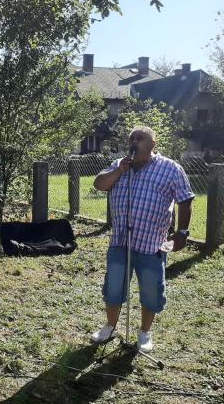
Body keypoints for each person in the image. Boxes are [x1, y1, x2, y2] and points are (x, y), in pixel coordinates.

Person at [90, 126, 194, 352]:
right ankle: (110, 326)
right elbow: (99, 184)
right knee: (114, 288)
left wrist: (182, 232)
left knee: (151, 291)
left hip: (151, 244)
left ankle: (145, 333)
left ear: (152, 144)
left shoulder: (170, 168)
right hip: (120, 242)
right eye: (132, 138)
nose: (134, 141)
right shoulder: (120, 165)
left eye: (140, 138)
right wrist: (119, 170)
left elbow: (185, 200)